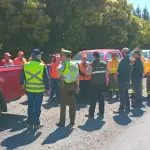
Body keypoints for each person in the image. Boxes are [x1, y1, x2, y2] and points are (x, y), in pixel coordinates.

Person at [20, 49, 49, 129]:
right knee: (37, 107)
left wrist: (25, 85)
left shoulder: (25, 65)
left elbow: (21, 80)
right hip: (39, 90)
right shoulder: (42, 66)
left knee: (30, 106)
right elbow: (46, 79)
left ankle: (29, 123)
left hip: (29, 90)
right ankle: (36, 123)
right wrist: (47, 88)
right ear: (38, 56)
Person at [56, 49, 79, 127]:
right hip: (73, 85)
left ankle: (62, 122)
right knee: (72, 102)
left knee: (63, 103)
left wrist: (60, 76)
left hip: (65, 85)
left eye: (62, 56)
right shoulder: (74, 64)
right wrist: (78, 85)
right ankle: (72, 121)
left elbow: (58, 69)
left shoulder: (64, 63)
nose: (61, 57)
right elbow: (77, 76)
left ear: (64, 56)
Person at [85, 52, 109, 119]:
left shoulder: (92, 64)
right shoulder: (104, 64)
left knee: (93, 99)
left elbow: (87, 73)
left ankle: (91, 114)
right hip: (102, 83)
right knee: (101, 98)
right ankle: (101, 113)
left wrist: (87, 67)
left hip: (94, 84)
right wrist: (107, 82)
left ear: (94, 56)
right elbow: (107, 74)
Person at [114, 48, 132, 113]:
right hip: (127, 80)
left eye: (122, 52)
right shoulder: (130, 60)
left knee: (122, 95)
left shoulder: (123, 60)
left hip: (122, 80)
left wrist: (115, 76)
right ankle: (128, 107)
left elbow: (118, 71)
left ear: (124, 52)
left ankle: (121, 109)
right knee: (126, 94)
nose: (121, 53)